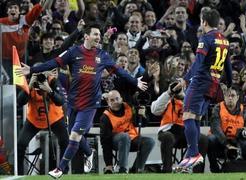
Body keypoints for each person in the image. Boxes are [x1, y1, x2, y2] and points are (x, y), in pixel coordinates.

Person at [16, 23, 148, 178]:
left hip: (90, 104)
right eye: (95, 34)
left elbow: (118, 71)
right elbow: (53, 62)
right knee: (73, 133)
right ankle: (89, 152)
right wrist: (31, 70)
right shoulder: (73, 52)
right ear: (86, 36)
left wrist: (135, 82)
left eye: (99, 35)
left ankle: (59, 169)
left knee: (74, 137)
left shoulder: (102, 55)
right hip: (73, 103)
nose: (98, 37)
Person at [173, 9, 232, 172]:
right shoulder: (224, 40)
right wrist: (230, 83)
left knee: (187, 116)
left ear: (204, 22)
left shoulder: (206, 38)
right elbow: (228, 66)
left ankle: (193, 154)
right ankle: (193, 155)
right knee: (196, 118)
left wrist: (184, 79)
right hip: (214, 83)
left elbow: (198, 63)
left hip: (200, 82)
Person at [17, 66, 69, 175]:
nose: (41, 77)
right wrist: (29, 86)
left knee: (65, 141)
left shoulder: (52, 81)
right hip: (34, 120)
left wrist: (49, 90)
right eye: (37, 74)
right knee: (21, 144)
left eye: (42, 74)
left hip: (54, 119)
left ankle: (63, 171)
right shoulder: (29, 83)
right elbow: (20, 102)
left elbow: (61, 101)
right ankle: (20, 173)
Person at [151, 81, 208, 173]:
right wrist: (169, 93)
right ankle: (167, 171)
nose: (177, 88)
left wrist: (184, 96)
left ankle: (198, 173)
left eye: (179, 86)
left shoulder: (189, 98)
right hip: (168, 131)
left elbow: (200, 113)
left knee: (203, 139)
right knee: (167, 137)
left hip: (186, 132)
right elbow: (154, 110)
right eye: (175, 86)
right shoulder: (166, 99)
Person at [100, 90, 155, 173]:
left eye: (117, 99)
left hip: (132, 138)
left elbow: (142, 124)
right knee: (124, 136)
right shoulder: (105, 117)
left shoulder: (129, 107)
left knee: (150, 142)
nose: (115, 102)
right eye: (112, 100)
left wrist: (143, 115)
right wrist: (109, 165)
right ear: (107, 102)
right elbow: (105, 142)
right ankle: (122, 169)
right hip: (116, 141)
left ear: (121, 99)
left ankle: (136, 169)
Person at [0, 0, 52, 84]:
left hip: (21, 59)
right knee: (8, 82)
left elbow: (34, 14)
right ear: (7, 11)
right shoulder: (1, 22)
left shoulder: (24, 20)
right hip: (5, 60)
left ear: (19, 11)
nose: (13, 9)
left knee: (20, 83)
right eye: (10, 8)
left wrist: (39, 5)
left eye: (15, 8)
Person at [207, 86, 246, 172]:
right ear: (224, 96)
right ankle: (214, 169)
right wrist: (227, 144)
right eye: (228, 95)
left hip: (238, 141)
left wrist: (243, 133)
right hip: (220, 142)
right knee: (210, 139)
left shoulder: (244, 111)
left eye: (233, 95)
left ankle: (245, 167)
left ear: (237, 97)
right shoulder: (217, 108)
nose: (230, 98)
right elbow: (216, 129)